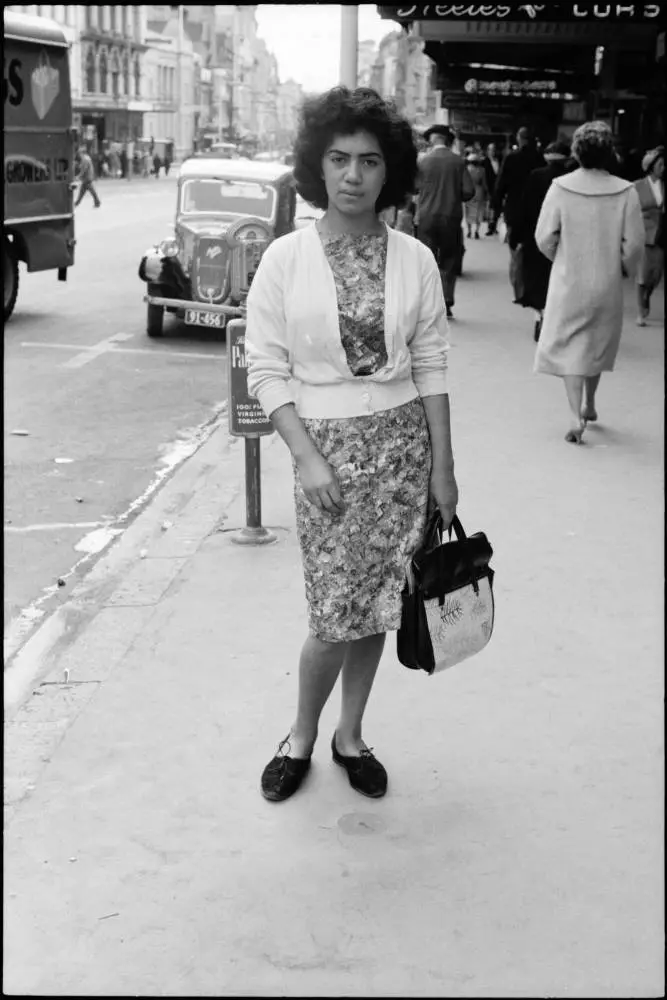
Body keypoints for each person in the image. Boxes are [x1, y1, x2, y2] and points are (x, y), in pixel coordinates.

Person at [245, 86, 457, 803]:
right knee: (331, 615)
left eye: (369, 161)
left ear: (388, 170)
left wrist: (444, 470)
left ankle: (350, 736)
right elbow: (265, 367)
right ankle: (301, 736)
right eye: (338, 159)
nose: (353, 175)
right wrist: (305, 457)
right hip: (327, 458)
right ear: (317, 165)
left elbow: (430, 363)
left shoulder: (415, 259)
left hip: (401, 454)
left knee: (379, 607)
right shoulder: (283, 258)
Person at [533, 121, 644, 443]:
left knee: (571, 346)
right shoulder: (626, 190)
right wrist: (620, 265)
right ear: (609, 152)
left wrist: (562, 258)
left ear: (576, 152)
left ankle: (574, 414)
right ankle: (591, 404)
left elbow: (544, 237)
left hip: (569, 280)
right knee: (596, 342)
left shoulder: (560, 187)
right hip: (606, 282)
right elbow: (634, 244)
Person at [511, 140, 572, 341]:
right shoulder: (570, 180)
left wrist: (516, 236)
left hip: (535, 237)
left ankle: (540, 316)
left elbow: (524, 207)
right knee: (558, 280)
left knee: (536, 280)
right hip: (565, 238)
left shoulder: (536, 176)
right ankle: (555, 319)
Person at [415, 124, 474, 319]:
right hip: (451, 217)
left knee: (426, 260)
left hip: (426, 217)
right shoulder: (458, 162)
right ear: (447, 140)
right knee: (449, 259)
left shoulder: (423, 162)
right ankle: (446, 301)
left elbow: (414, 188)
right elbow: (468, 191)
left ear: (432, 140)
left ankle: (426, 303)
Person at [492, 126, 545, 297]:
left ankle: (518, 287)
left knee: (515, 249)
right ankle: (531, 285)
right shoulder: (540, 159)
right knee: (533, 248)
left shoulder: (511, 158)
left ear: (519, 138)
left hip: (514, 210)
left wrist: (496, 206)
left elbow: (501, 184)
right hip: (537, 211)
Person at [634, 148, 664, 326]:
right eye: (660, 164)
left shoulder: (663, 185)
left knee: (657, 274)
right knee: (642, 275)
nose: (663, 167)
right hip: (643, 233)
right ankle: (640, 312)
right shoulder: (637, 185)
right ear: (651, 166)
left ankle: (647, 295)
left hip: (660, 234)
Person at [464, 151, 489, 239]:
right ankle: (477, 231)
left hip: (468, 192)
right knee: (479, 212)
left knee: (468, 212)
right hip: (479, 192)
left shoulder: (466, 169)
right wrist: (487, 193)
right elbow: (484, 183)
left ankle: (469, 231)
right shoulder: (482, 170)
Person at [482, 142, 502, 234]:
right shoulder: (485, 162)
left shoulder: (500, 161)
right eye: (491, 149)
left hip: (498, 188)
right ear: (488, 151)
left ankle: (494, 226)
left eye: (494, 149)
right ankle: (490, 228)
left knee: (497, 208)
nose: (493, 151)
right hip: (489, 188)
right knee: (490, 209)